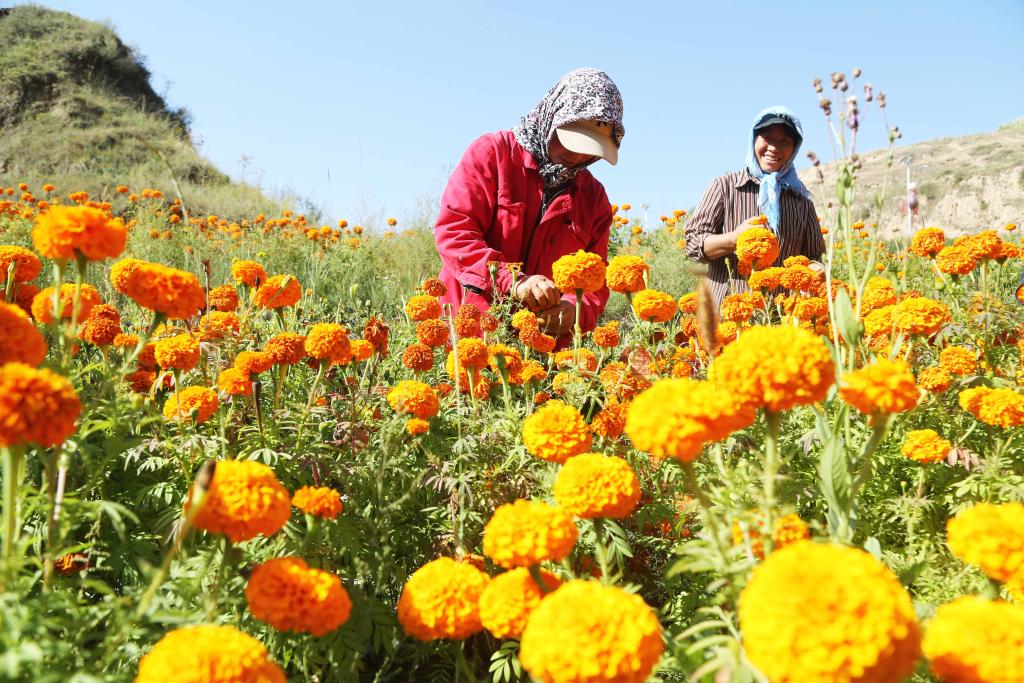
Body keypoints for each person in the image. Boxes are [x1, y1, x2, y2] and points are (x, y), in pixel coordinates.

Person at [433, 67, 624, 338]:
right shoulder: (493, 154)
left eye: (589, 148)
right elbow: (455, 233)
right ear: (552, 117)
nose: (576, 154)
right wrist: (513, 282)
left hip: (539, 346)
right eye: (569, 140)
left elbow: (596, 281)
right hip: (468, 331)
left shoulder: (594, 199)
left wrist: (572, 309)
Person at [685, 105, 825, 306]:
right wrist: (734, 239)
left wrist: (813, 269)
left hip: (779, 321)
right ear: (754, 140)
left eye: (784, 141)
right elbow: (692, 244)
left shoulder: (802, 202)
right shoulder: (724, 187)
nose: (774, 148)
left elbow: (816, 257)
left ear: (794, 148)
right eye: (767, 138)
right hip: (727, 319)